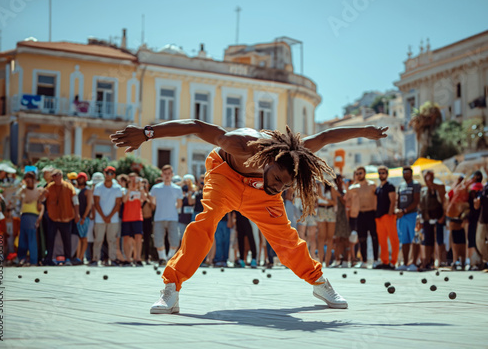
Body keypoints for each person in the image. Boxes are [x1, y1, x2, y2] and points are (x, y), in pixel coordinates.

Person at [110, 119, 387, 313]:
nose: (278, 187)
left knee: (287, 239)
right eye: (277, 178)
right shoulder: (240, 144)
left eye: (284, 185)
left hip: (258, 193)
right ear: (268, 161)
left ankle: (319, 283)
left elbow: (325, 137)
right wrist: (147, 133)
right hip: (225, 176)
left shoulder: (291, 159)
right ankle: (171, 289)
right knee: (205, 223)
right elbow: (196, 126)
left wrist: (366, 131)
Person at [42, 169, 80, 266]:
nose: (55, 178)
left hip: (66, 218)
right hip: (53, 218)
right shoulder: (50, 187)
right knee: (50, 239)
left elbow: (75, 202)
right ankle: (49, 258)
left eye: (57, 176)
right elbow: (43, 199)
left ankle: (68, 258)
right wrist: (42, 194)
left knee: (67, 239)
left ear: (61, 176)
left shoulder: (69, 186)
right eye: (53, 176)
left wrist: (77, 214)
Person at [149, 165, 183, 266]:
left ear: (172, 175)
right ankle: (162, 258)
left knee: (175, 241)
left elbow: (179, 203)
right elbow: (152, 202)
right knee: (158, 240)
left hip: (173, 218)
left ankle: (169, 258)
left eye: (169, 174)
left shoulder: (177, 188)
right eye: (165, 174)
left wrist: (171, 207)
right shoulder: (156, 188)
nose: (167, 176)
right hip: (159, 217)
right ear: (162, 175)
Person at [91, 166, 123, 266]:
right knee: (98, 240)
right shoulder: (98, 187)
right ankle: (95, 259)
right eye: (106, 173)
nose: (108, 175)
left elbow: (118, 204)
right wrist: (104, 216)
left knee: (112, 240)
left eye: (111, 173)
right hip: (100, 219)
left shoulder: (117, 188)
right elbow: (96, 203)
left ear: (114, 175)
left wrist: (109, 217)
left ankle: (112, 259)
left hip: (112, 219)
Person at [418, 170, 446, 270]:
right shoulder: (424, 190)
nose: (428, 180)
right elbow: (421, 206)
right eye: (426, 178)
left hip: (438, 217)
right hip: (427, 219)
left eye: (430, 177)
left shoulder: (439, 187)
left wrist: (443, 216)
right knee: (428, 241)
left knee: (439, 240)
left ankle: (441, 261)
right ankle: (428, 261)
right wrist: (420, 219)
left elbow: (444, 202)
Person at [351, 166, 379, 268]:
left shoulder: (372, 185)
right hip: (360, 214)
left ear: (365, 173)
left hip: (371, 213)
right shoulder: (355, 187)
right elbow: (349, 193)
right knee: (362, 238)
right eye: (357, 173)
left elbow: (377, 199)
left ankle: (376, 260)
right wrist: (355, 181)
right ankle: (364, 261)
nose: (359, 175)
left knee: (374, 237)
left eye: (360, 173)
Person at [395, 166, 421, 271]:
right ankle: (405, 263)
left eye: (408, 173)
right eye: (404, 173)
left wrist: (405, 210)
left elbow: (416, 201)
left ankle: (414, 263)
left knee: (414, 239)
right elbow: (398, 200)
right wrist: (397, 210)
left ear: (411, 173)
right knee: (404, 240)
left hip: (412, 215)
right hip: (402, 217)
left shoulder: (415, 185)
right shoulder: (401, 186)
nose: (406, 174)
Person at [374, 166, 399, 269]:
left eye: (383, 173)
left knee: (393, 239)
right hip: (379, 217)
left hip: (388, 216)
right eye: (379, 173)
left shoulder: (390, 186)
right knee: (382, 241)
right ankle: (385, 262)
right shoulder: (378, 188)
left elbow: (393, 201)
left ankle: (393, 262)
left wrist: (390, 213)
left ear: (387, 174)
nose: (381, 174)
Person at [16, 171, 43, 266]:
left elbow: (41, 205)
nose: (28, 180)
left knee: (32, 239)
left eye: (30, 178)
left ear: (33, 179)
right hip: (24, 215)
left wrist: (39, 219)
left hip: (33, 216)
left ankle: (33, 261)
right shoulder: (22, 190)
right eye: (27, 178)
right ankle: (21, 258)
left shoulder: (39, 190)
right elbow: (17, 198)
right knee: (22, 239)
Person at [121, 173, 146, 266]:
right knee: (126, 238)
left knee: (138, 238)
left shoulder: (140, 191)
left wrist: (141, 187)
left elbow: (144, 198)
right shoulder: (124, 190)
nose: (133, 182)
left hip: (137, 217)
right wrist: (129, 189)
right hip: (127, 217)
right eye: (131, 180)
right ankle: (128, 258)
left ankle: (138, 258)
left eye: (135, 180)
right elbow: (123, 200)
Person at [315, 181, 337, 267]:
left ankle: (327, 262)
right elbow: (315, 200)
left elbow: (334, 202)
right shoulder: (317, 186)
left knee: (330, 238)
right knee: (321, 237)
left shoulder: (331, 187)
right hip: (321, 210)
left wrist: (323, 198)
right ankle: (320, 261)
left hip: (330, 210)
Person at [76, 172, 93, 264]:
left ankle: (81, 257)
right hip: (78, 217)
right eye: (78, 178)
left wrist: (83, 217)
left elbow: (89, 205)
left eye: (81, 178)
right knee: (79, 237)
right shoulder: (78, 190)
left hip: (84, 218)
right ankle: (78, 257)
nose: (79, 180)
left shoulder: (88, 191)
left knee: (84, 238)